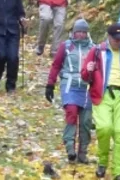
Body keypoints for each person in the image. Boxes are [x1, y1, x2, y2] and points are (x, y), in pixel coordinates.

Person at [80, 24, 120, 180]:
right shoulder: (97, 51)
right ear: (109, 37)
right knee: (105, 128)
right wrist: (88, 68)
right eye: (116, 39)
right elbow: (85, 76)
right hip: (102, 95)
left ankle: (118, 172)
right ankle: (102, 161)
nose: (118, 42)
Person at [45, 19, 95, 163]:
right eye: (78, 31)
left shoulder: (93, 48)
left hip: (86, 87)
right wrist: (50, 84)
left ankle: (83, 153)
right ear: (73, 32)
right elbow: (56, 65)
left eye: (83, 32)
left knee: (86, 121)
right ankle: (70, 148)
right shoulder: (66, 46)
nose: (80, 34)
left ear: (87, 33)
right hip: (69, 85)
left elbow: (99, 70)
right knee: (71, 113)